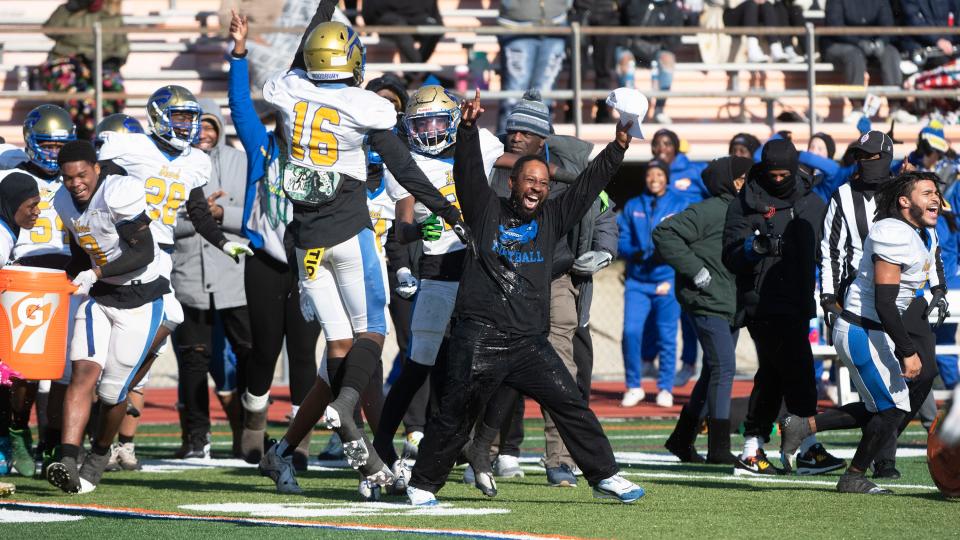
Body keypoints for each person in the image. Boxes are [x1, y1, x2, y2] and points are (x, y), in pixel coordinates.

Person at [255, 8, 463, 493]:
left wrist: (324, 9)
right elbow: (407, 172)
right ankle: (351, 422)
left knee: (343, 351)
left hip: (306, 244)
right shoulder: (365, 116)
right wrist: (449, 213)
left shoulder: (291, 93)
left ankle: (290, 452)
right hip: (348, 238)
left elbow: (293, 63)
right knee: (369, 339)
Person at [406, 90, 644, 506]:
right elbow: (466, 176)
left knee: (570, 402)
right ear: (512, 183)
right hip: (478, 336)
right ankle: (423, 484)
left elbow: (588, 186)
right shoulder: (485, 211)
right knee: (455, 416)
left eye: (543, 183)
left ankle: (605, 474)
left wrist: (619, 146)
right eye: (528, 181)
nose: (536, 187)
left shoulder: (552, 215)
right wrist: (466, 130)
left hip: (527, 343)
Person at [470, 92, 617, 488]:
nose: (515, 136)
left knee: (561, 371)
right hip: (502, 282)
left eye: (526, 132)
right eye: (512, 129)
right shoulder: (493, 169)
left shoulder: (567, 168)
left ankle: (560, 459)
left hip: (554, 279)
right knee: (489, 372)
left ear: (544, 139)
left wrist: (604, 250)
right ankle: (482, 450)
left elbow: (601, 207)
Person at [370, 84, 504, 494]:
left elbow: (520, 167)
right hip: (438, 270)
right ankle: (382, 444)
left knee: (495, 361)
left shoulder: (479, 141)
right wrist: (415, 231)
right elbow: (402, 223)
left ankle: (478, 446)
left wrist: (564, 175)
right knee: (420, 362)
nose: (429, 130)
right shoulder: (406, 160)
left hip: (480, 268)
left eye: (436, 120)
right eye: (421, 122)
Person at [781, 172, 945, 494]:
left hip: (875, 328)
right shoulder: (892, 232)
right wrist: (907, 350)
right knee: (892, 408)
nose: (935, 198)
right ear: (904, 201)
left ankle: (803, 425)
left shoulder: (921, 234)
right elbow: (885, 302)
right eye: (926, 192)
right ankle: (853, 476)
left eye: (936, 192)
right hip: (860, 328)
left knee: (884, 406)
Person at [98, 85, 253, 389]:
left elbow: (198, 212)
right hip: (129, 248)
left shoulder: (195, 161)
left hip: (164, 255)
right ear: (158, 117)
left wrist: (223, 243)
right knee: (141, 321)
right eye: (179, 117)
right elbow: (96, 183)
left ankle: (122, 384)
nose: (186, 125)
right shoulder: (130, 146)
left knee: (168, 321)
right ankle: (115, 381)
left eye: (190, 118)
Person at [227, 13, 323, 469]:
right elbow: (240, 106)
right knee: (265, 349)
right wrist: (240, 54)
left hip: (309, 261)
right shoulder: (262, 146)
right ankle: (254, 424)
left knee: (305, 353)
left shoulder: (322, 150)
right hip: (265, 259)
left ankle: (299, 441)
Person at [47, 141, 167, 494]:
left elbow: (143, 252)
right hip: (100, 297)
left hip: (139, 297)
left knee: (114, 391)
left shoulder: (119, 192)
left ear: (96, 169)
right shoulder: (62, 200)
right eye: (68, 177)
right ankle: (68, 459)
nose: (75, 184)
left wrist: (96, 274)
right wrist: (61, 277)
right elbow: (79, 253)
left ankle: (98, 457)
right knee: (82, 372)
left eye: (82, 175)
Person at [723, 138, 844, 476]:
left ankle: (753, 448)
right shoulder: (746, 202)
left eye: (784, 175)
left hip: (798, 299)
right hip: (760, 302)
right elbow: (730, 254)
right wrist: (753, 248)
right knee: (800, 370)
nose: (778, 180)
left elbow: (831, 250)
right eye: (772, 175)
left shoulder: (810, 201)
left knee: (775, 376)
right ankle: (805, 446)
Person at [653, 156, 753, 464]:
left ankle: (682, 439)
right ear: (735, 182)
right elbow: (663, 233)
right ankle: (719, 448)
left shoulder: (740, 210)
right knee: (723, 369)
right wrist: (695, 270)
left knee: (713, 372)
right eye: (746, 177)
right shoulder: (709, 209)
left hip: (728, 303)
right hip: (709, 301)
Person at [170, 98, 253, 460]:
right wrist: (200, 216)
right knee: (193, 359)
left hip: (237, 273)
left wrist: (222, 212)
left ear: (220, 128)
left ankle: (250, 434)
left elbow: (257, 210)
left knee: (249, 354)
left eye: (210, 125)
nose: (203, 132)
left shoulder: (241, 160)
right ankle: (196, 438)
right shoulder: (172, 165)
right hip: (188, 274)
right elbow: (163, 220)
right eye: (196, 124)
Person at [0, 105, 75, 480]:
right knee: (20, 370)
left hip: (67, 275)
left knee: (66, 369)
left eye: (61, 145)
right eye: (47, 144)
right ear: (30, 141)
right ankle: (15, 433)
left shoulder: (74, 177)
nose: (54, 153)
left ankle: (52, 438)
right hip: (22, 272)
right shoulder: (11, 172)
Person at [619, 160, 688, 408]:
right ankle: (633, 386)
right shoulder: (633, 205)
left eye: (660, 174)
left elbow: (687, 237)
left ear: (666, 177)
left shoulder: (679, 203)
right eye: (650, 174)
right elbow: (621, 238)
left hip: (666, 278)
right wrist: (633, 251)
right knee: (630, 332)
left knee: (666, 335)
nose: (655, 178)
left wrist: (668, 254)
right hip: (637, 280)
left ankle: (665, 388)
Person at [40, 0, 128, 139]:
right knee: (80, 94)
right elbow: (49, 30)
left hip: (101, 64)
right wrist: (70, 8)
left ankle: (107, 134)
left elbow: (123, 48)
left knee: (114, 90)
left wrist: (109, 61)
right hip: (68, 61)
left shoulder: (112, 16)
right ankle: (78, 135)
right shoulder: (70, 11)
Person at [822, 0, 915, 124]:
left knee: (891, 52)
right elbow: (834, 26)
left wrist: (881, 41)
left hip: (872, 43)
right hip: (840, 44)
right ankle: (857, 107)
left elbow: (887, 25)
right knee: (854, 55)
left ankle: (895, 107)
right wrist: (858, 42)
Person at [496, 0, 569, 133]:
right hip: (516, 25)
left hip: (556, 23)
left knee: (545, 98)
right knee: (514, 97)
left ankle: (540, 151)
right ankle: (504, 150)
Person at [621, 0, 684, 123]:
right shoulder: (632, 3)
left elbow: (674, 39)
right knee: (624, 60)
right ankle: (632, 110)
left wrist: (661, 46)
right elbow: (625, 23)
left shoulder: (672, 7)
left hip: (658, 48)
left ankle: (659, 110)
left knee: (668, 59)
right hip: (632, 47)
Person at [361, 0, 443, 77]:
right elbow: (368, 11)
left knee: (435, 29)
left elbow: (436, 17)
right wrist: (369, 27)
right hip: (388, 18)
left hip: (415, 17)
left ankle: (410, 76)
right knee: (399, 27)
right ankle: (419, 71)